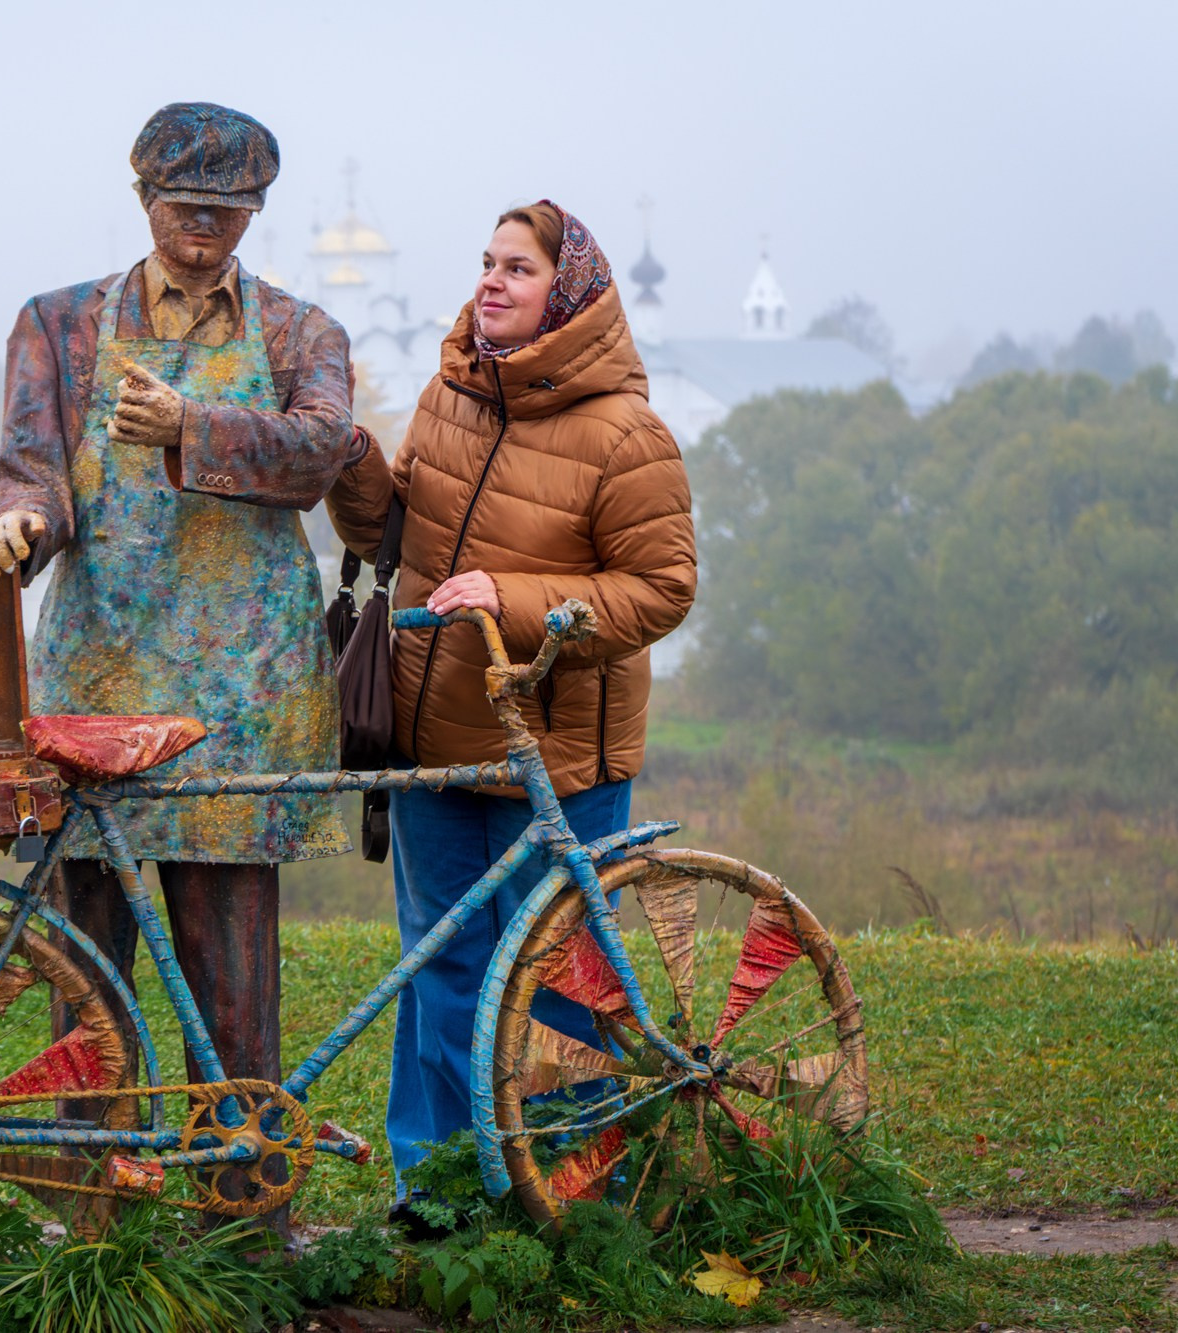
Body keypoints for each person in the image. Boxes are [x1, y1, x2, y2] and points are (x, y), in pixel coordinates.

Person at [0, 102, 358, 1225]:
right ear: (143, 202)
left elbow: (317, 454)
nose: (206, 234)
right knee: (84, 957)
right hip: (97, 676)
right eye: (188, 211)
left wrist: (192, 423)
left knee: (231, 964)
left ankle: (240, 1218)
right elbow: (28, 468)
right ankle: (82, 1209)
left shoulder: (299, 334)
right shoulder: (58, 326)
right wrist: (20, 527)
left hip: (244, 690)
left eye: (230, 214)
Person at [325, 200, 696, 1233]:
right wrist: (353, 462)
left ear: (566, 297)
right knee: (441, 966)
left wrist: (514, 597)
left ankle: (572, 1199)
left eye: (517, 269)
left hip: (560, 754)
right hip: (435, 741)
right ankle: (438, 1195)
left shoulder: (624, 431)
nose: (489, 281)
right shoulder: (451, 393)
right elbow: (398, 530)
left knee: (558, 981)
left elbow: (661, 589)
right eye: (485, 263)